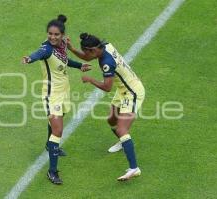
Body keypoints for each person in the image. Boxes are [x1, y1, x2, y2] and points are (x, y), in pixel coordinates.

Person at [22, 15, 90, 185]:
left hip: (64, 92)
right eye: (50, 34)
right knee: (58, 131)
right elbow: (38, 54)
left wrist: (79, 65)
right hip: (52, 96)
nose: (52, 37)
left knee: (55, 125)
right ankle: (52, 172)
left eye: (56, 34)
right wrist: (29, 59)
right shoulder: (46, 49)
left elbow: (65, 61)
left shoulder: (62, 46)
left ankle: (48, 145)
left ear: (62, 35)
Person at [67, 33, 145, 181]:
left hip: (132, 92)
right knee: (111, 120)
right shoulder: (105, 46)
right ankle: (124, 142)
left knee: (122, 128)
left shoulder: (106, 62)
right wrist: (71, 48)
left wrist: (90, 79)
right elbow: (87, 57)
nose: (86, 54)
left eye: (86, 51)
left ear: (92, 49)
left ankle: (134, 168)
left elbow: (107, 87)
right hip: (123, 90)